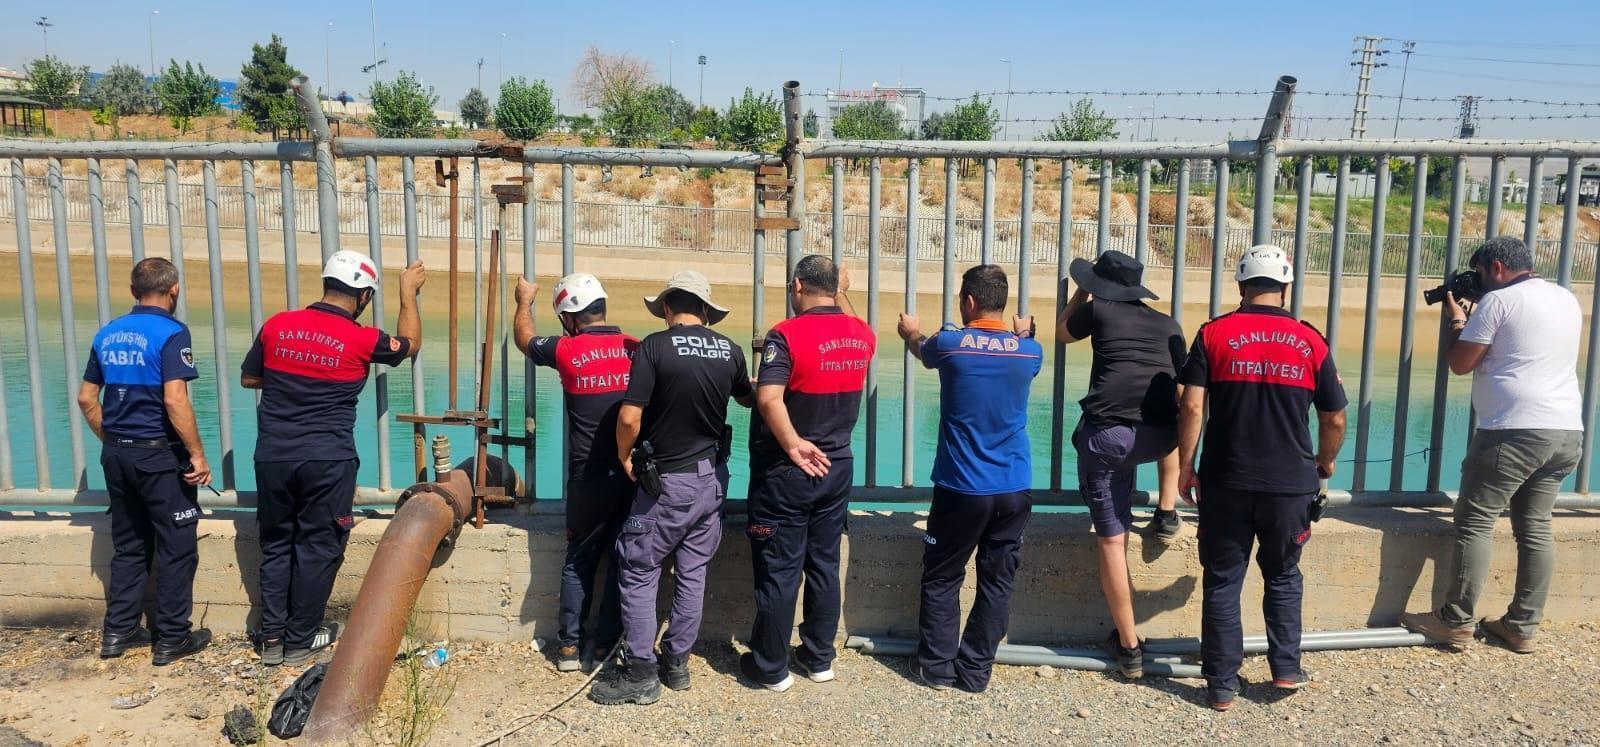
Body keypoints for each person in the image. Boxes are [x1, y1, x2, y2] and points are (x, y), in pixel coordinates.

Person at [1176, 245, 1347, 711]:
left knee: (1222, 580)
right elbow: (1334, 417)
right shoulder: (1311, 341)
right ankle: (1286, 669)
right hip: (1290, 483)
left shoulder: (1213, 334)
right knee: (1284, 574)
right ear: (1286, 287)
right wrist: (1326, 461)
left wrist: (1187, 465)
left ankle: (1221, 686)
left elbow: (1191, 405)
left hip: (1225, 480)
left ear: (1240, 285)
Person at [1400, 236, 1584, 655]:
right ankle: (1521, 626)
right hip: (1566, 431)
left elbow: (1460, 363)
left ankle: (1455, 621)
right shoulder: (1565, 298)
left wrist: (1457, 321)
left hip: (1513, 431)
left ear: (1497, 267)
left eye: (1481, 273)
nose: (1480, 281)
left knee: (1475, 522)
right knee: (1535, 528)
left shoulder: (1499, 302)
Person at [242, 250, 424, 667]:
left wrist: (293, 376)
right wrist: (407, 293)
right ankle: (301, 638)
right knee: (318, 547)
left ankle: (272, 638)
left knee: (276, 543)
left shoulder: (277, 325)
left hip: (273, 456)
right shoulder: (363, 338)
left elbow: (250, 377)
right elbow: (410, 346)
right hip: (327, 459)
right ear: (364, 297)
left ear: (326, 283)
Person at [590, 270, 754, 706]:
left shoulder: (655, 347)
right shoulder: (730, 350)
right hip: (711, 480)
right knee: (693, 571)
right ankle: (677, 663)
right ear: (706, 311)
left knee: (639, 568)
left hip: (666, 483)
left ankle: (641, 672)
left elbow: (629, 417)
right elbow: (748, 396)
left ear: (666, 307)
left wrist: (624, 456)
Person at [897, 264, 1044, 694]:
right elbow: (1021, 350)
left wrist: (910, 332)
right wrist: (1024, 333)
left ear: (969, 302)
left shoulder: (950, 344)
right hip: (1014, 487)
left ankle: (938, 669)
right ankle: (976, 672)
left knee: (943, 576)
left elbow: (922, 349)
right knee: (997, 581)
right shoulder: (1030, 352)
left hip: (961, 488)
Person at [740, 256, 874, 692]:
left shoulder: (785, 334)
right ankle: (818, 659)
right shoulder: (862, 334)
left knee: (780, 569)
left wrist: (794, 443)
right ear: (835, 288)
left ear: (797, 285)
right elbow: (854, 326)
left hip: (789, 469)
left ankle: (770, 668)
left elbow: (768, 399)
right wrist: (842, 291)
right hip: (837, 467)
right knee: (823, 564)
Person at [1058, 250, 1186, 679]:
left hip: (1110, 440)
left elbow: (1061, 333)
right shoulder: (1169, 324)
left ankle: (1129, 648)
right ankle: (1166, 510)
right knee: (1169, 414)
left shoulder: (1099, 310)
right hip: (1162, 438)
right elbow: (1184, 395)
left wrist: (1080, 293)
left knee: (1112, 541)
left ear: (1100, 287)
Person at [78, 257, 213, 665]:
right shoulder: (172, 332)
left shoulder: (108, 333)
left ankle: (118, 632)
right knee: (177, 545)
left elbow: (86, 399)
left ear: (134, 291)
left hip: (117, 454)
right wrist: (197, 453)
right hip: (158, 456)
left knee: (130, 543)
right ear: (174, 290)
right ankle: (172, 638)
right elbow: (175, 399)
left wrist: (113, 439)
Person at [514, 272, 639, 672]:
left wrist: (524, 300)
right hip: (630, 475)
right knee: (622, 559)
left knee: (579, 558)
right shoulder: (635, 348)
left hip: (586, 479)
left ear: (568, 318)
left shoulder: (566, 349)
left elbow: (525, 340)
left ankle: (569, 647)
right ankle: (604, 647)